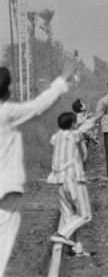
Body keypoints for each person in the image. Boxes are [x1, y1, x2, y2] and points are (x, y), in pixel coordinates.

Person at [0, 60, 77, 274]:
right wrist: (62, 80)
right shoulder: (6, 113)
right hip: (6, 191)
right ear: (9, 89)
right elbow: (38, 107)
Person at [47, 110, 100, 257]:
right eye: (75, 121)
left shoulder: (55, 137)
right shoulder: (74, 135)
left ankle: (75, 249)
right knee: (85, 215)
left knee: (69, 217)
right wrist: (98, 115)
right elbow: (86, 127)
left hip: (59, 182)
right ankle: (61, 234)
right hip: (74, 180)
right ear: (72, 124)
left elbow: (63, 136)